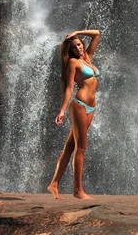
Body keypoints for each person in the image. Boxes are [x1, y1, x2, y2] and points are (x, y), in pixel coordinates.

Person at [47, 29, 100, 200]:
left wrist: (77, 32)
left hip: (91, 108)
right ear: (70, 51)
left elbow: (97, 34)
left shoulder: (87, 59)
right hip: (79, 106)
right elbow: (70, 87)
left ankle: (54, 184)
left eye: (79, 44)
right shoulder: (73, 63)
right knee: (81, 147)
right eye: (74, 46)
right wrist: (62, 110)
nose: (78, 47)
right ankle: (78, 190)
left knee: (70, 146)